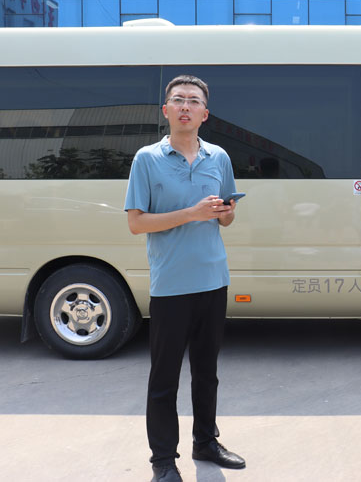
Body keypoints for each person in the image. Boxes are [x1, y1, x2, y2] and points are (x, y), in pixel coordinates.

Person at [125, 75, 246, 482]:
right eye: (178, 100)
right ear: (166, 110)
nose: (185, 106)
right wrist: (191, 214)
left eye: (194, 101)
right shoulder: (147, 159)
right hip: (171, 286)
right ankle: (163, 460)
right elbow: (137, 223)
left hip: (213, 279)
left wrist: (225, 212)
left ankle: (206, 442)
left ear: (204, 114)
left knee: (207, 372)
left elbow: (227, 217)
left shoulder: (219, 157)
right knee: (164, 378)